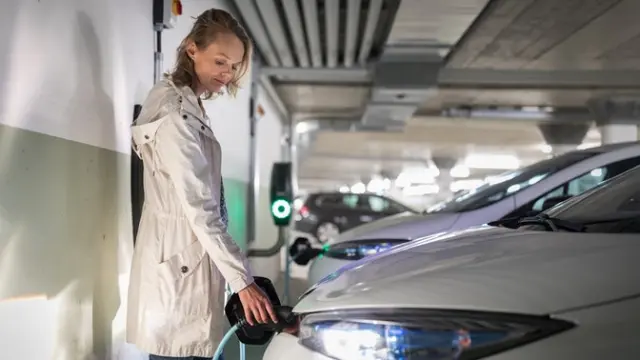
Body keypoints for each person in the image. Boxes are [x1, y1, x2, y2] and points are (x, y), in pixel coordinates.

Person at [126, 8, 278, 360]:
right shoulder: (175, 114)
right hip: (179, 283)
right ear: (191, 49)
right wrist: (244, 283)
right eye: (220, 62)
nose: (227, 74)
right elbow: (201, 209)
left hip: (185, 270)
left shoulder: (187, 105)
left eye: (234, 66)